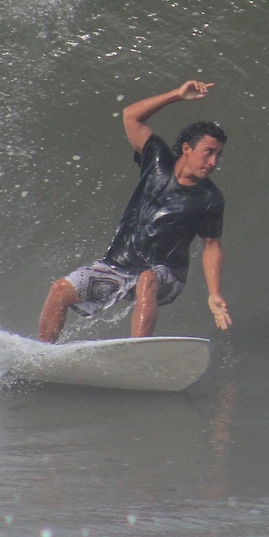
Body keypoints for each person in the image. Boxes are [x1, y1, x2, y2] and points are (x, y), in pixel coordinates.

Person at [37, 80, 231, 342]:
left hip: (167, 274)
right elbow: (131, 116)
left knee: (147, 279)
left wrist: (214, 292)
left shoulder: (210, 199)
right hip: (119, 264)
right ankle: (43, 352)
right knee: (60, 290)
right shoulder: (157, 160)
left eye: (218, 155)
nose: (213, 161)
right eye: (208, 152)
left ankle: (137, 351)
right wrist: (177, 95)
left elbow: (212, 246)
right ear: (187, 148)